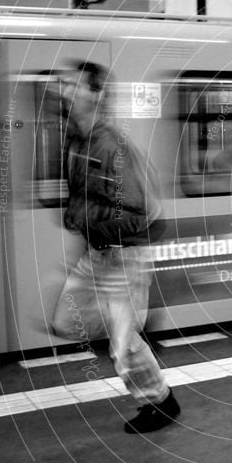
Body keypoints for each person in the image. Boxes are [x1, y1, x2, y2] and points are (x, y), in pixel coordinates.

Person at [50, 61, 180, 434]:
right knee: (65, 320)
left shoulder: (112, 147)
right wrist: (82, 219)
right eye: (63, 85)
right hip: (97, 254)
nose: (65, 91)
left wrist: (85, 217)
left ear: (97, 95)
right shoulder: (75, 140)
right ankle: (137, 331)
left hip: (125, 255)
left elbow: (141, 214)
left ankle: (161, 401)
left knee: (122, 347)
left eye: (74, 85)